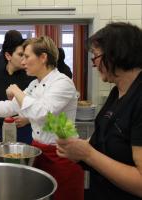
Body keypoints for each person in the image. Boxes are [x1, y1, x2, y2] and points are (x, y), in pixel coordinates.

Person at [0, 36, 84, 200]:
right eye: (22, 56)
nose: (23, 62)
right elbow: (9, 107)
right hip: (40, 152)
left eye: (27, 56)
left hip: (63, 154)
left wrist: (17, 91)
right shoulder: (35, 84)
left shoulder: (63, 83)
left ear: (43, 57)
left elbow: (42, 112)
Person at [56, 22, 142, 199]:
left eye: (95, 56)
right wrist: (78, 148)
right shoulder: (117, 91)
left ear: (114, 54)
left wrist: (87, 154)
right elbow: (108, 140)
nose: (94, 65)